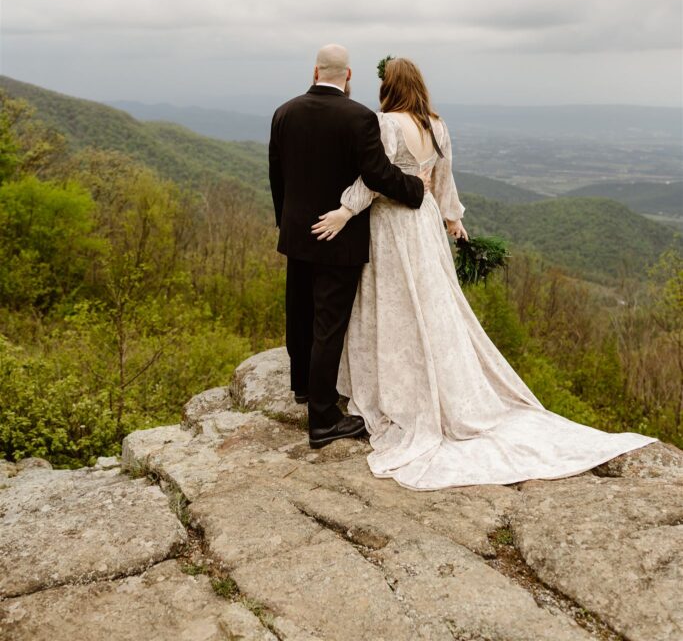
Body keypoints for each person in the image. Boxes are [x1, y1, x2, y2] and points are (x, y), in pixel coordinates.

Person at [312, 57, 658, 489]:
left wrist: (345, 210)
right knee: (433, 302)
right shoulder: (437, 125)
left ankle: (399, 389)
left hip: (390, 226)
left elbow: (375, 178)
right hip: (424, 223)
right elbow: (443, 179)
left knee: (395, 304)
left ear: (389, 86)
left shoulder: (384, 124)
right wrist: (453, 220)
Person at [268, 44, 429, 450]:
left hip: (299, 234)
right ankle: (322, 420)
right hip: (340, 239)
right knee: (329, 326)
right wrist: (415, 189)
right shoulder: (359, 117)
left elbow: (277, 178)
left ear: (315, 70)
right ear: (350, 75)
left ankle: (302, 388)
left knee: (300, 315)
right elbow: (378, 174)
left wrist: (286, 225)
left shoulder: (284, 112)